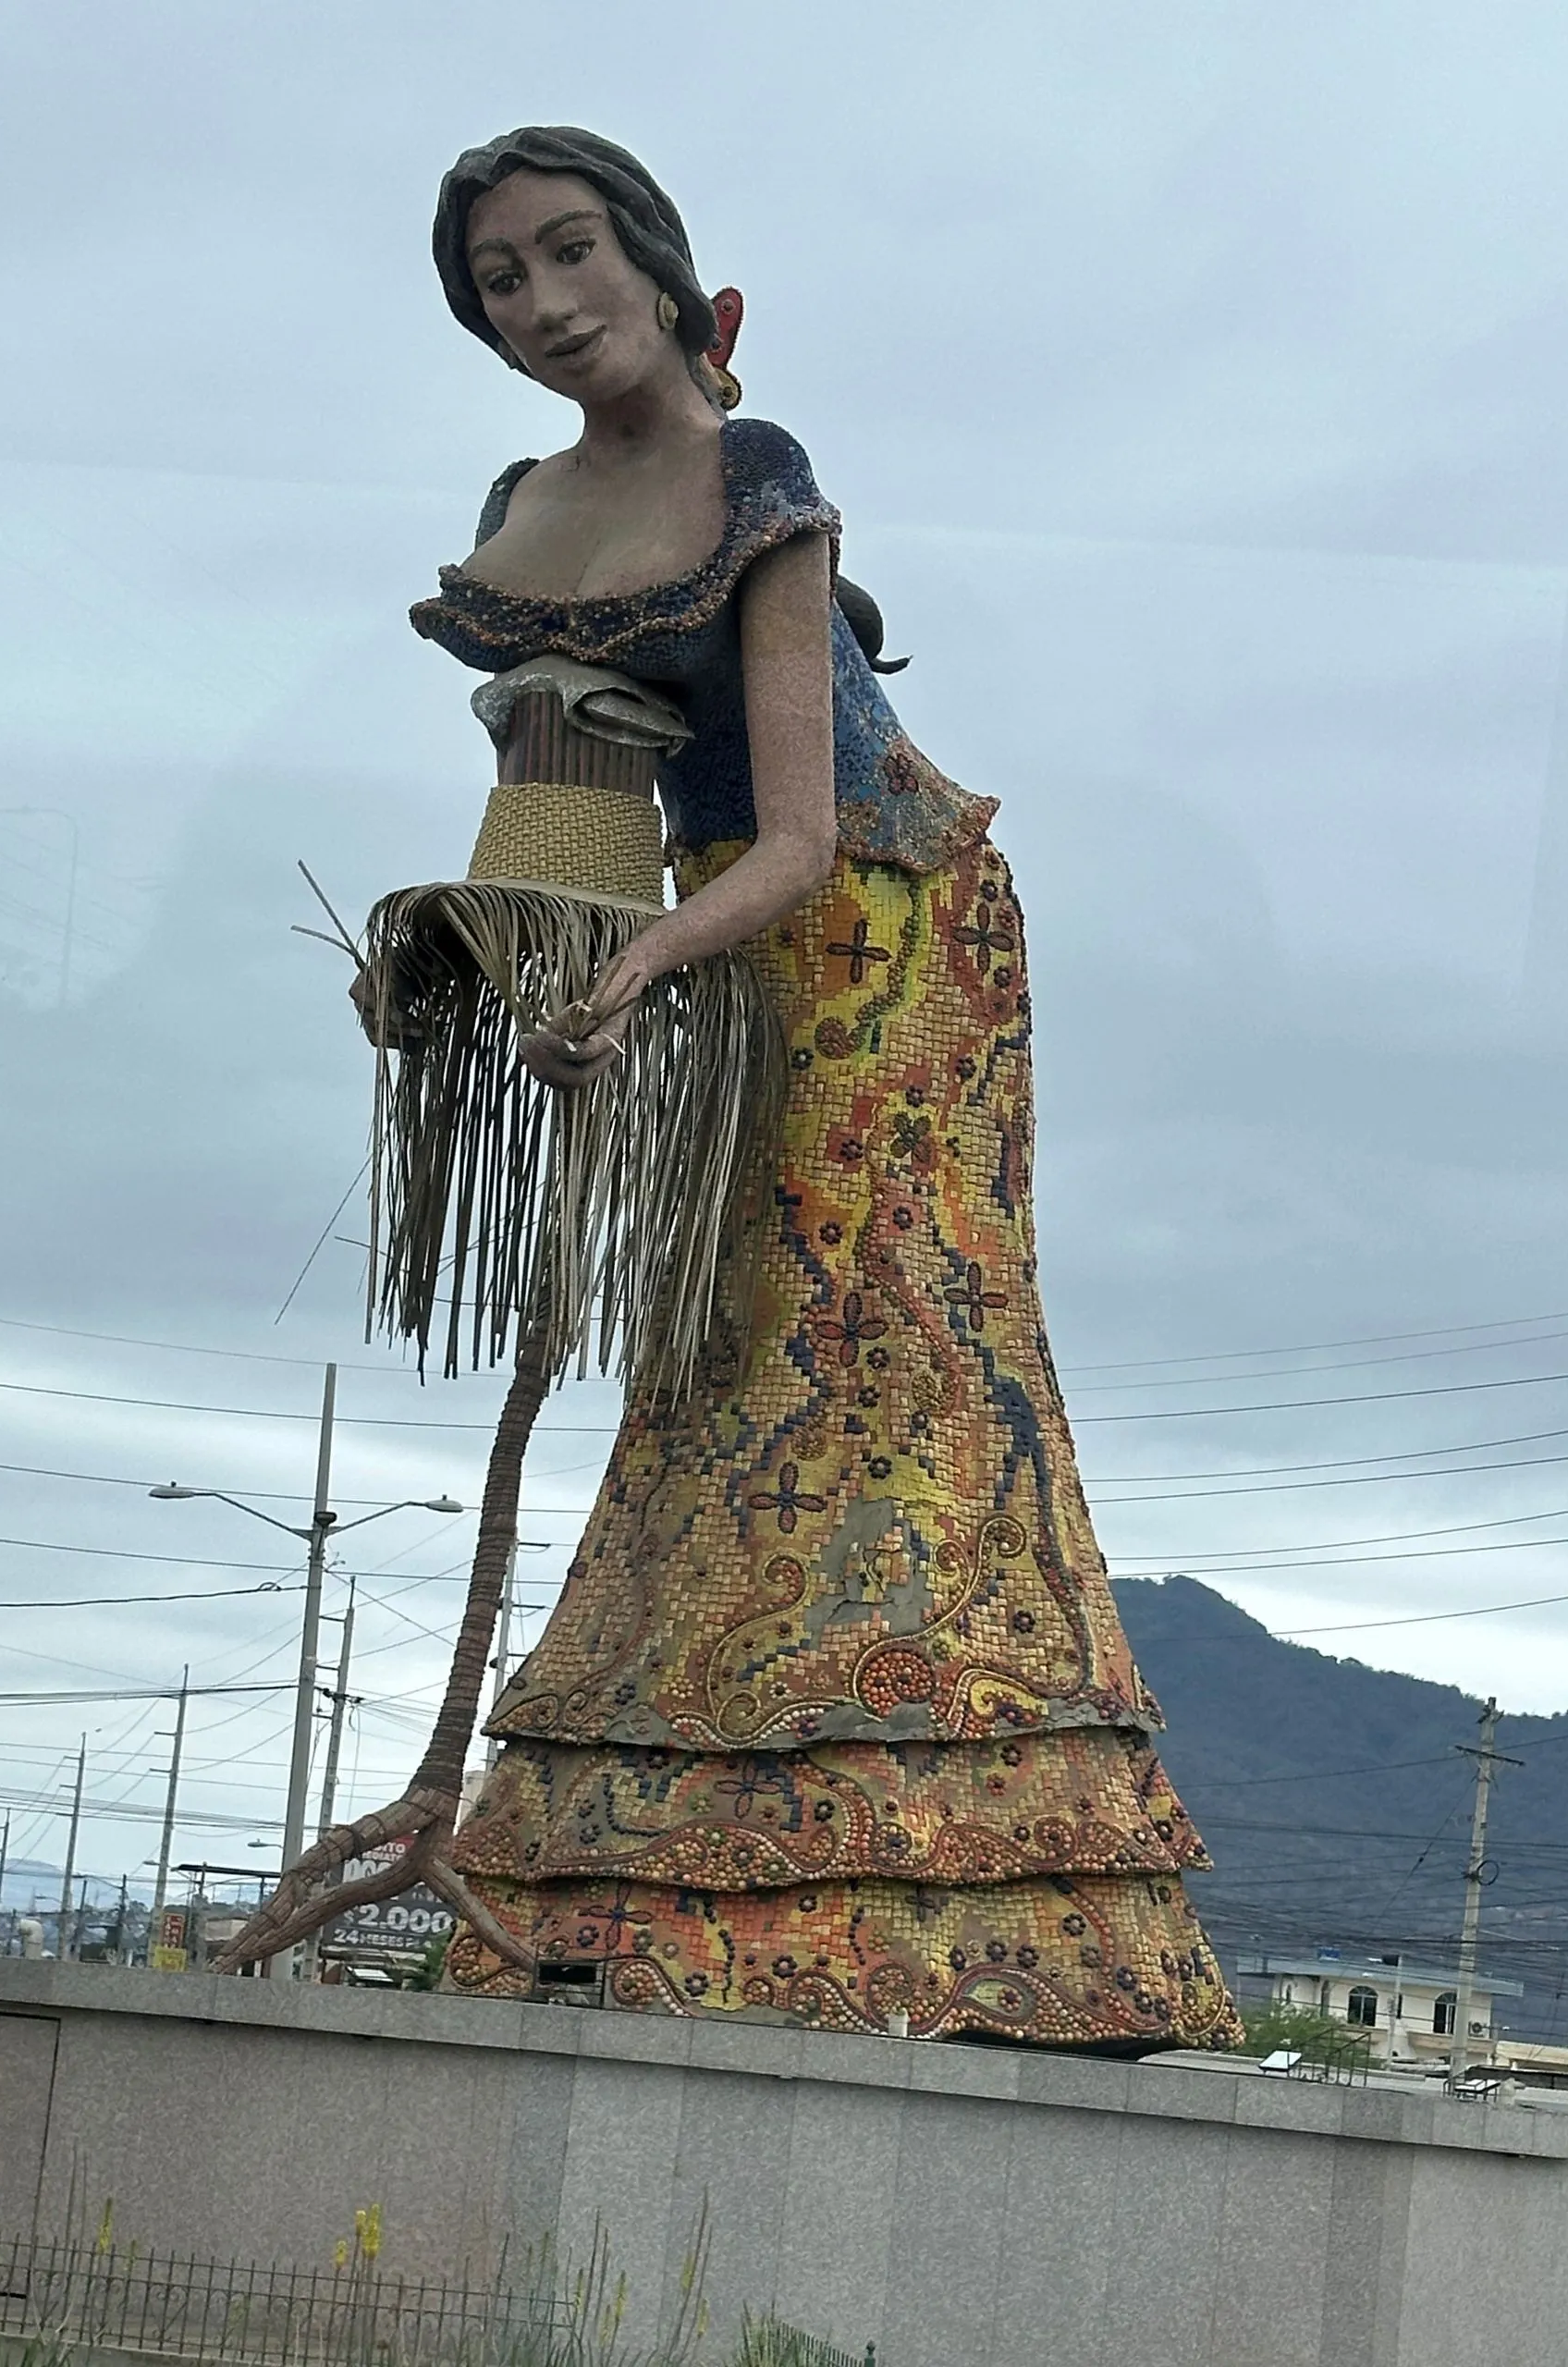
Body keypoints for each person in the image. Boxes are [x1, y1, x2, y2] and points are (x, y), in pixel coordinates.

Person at [410, 126, 1237, 2048]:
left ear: (657, 258)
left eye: (564, 252)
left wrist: (637, 968)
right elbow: (559, 796)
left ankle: (968, 1911)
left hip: (880, 932)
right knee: (711, 1357)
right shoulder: (528, 501)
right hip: (700, 936)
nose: (540, 304)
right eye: (498, 284)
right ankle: (641, 1870)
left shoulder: (754, 482)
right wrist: (500, 962)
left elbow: (794, 837)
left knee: (881, 1354)